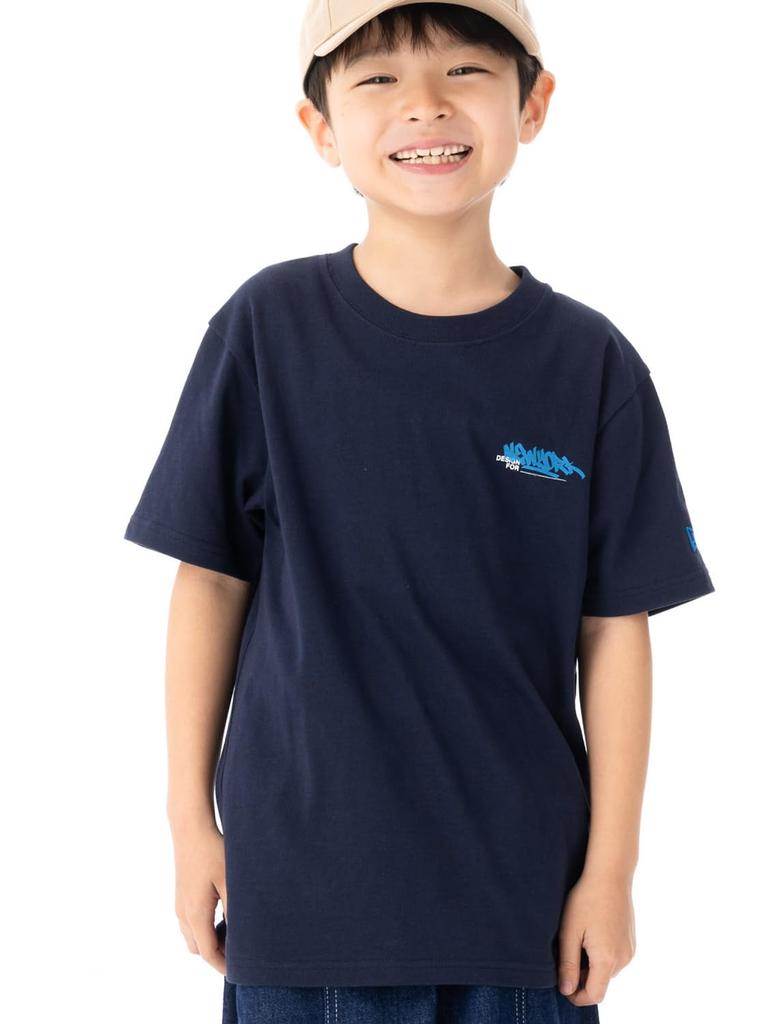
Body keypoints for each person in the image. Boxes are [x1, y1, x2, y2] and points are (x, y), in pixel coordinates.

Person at [123, 2, 716, 1022]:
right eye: (377, 79)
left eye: (465, 72)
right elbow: (210, 581)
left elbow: (614, 627)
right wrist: (189, 824)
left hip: (523, 910)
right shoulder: (266, 330)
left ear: (533, 105)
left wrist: (609, 873)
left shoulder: (591, 364)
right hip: (304, 899)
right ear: (319, 128)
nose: (426, 106)